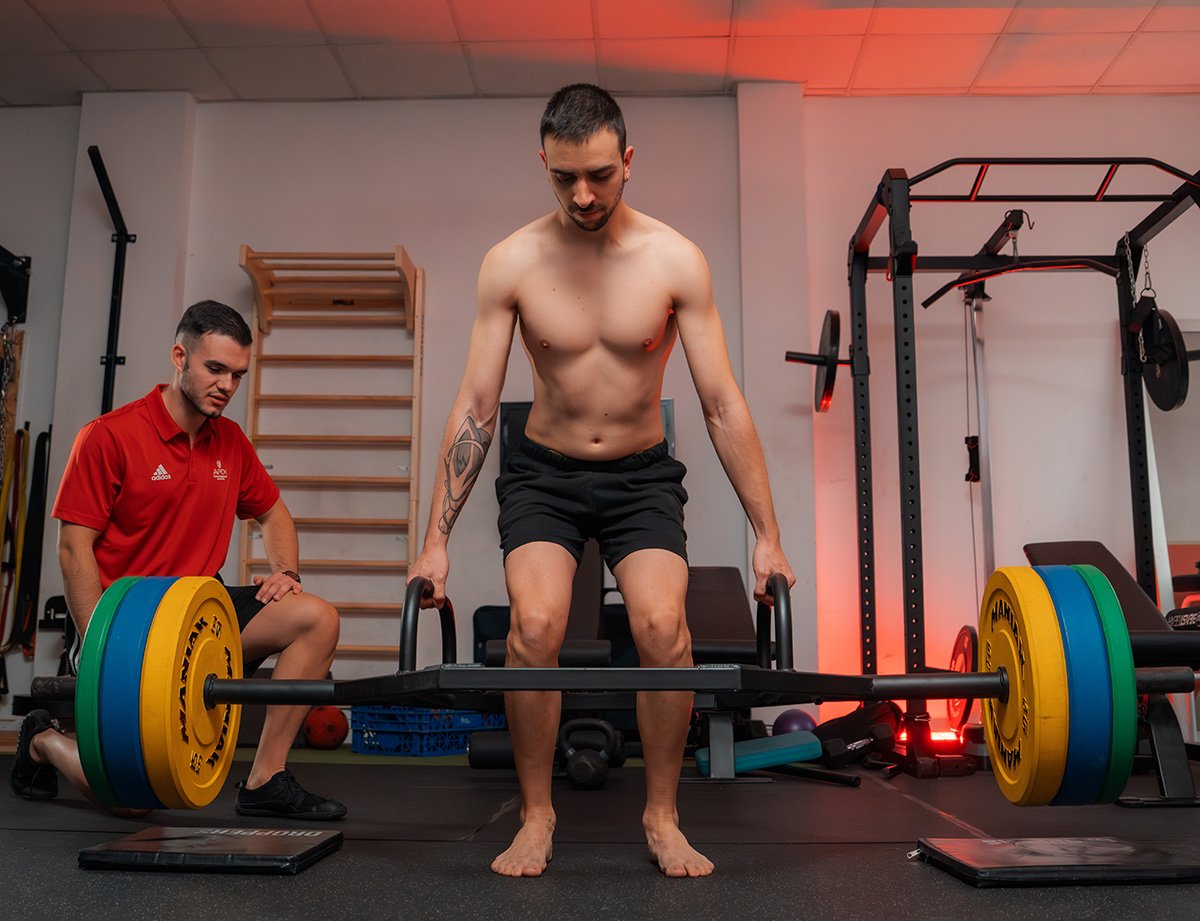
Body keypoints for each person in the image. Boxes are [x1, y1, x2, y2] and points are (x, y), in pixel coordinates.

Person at [408, 84, 794, 878]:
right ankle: (537, 812)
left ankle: (661, 814)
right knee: (535, 628)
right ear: (542, 162)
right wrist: (434, 543)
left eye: (598, 175)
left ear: (627, 160)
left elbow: (722, 404)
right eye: (563, 178)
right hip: (543, 476)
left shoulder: (675, 260)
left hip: (641, 476)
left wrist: (769, 539)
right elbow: (478, 407)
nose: (582, 195)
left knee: (663, 630)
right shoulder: (511, 262)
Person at [9, 300, 346, 820]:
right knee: (135, 803)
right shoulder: (109, 437)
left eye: (237, 374)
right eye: (215, 368)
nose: (226, 386)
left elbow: (275, 513)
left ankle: (265, 780)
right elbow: (73, 549)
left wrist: (287, 572)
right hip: (129, 625)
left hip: (201, 615)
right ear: (179, 357)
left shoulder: (230, 442)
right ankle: (44, 741)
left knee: (316, 618)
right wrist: (101, 645)